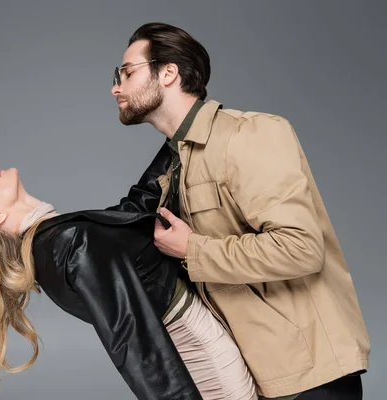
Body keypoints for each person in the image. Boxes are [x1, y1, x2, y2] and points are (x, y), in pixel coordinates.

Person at [107, 22, 370, 400]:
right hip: (258, 377)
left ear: (168, 73)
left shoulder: (248, 135)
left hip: (309, 379)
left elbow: (302, 247)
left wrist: (192, 249)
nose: (116, 87)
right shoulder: (174, 162)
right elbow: (119, 224)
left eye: (127, 72)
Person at [0, 167, 260, 400]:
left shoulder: (52, 242)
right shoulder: (66, 243)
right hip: (204, 366)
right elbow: (134, 342)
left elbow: (131, 211)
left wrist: (180, 136)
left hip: (203, 354)